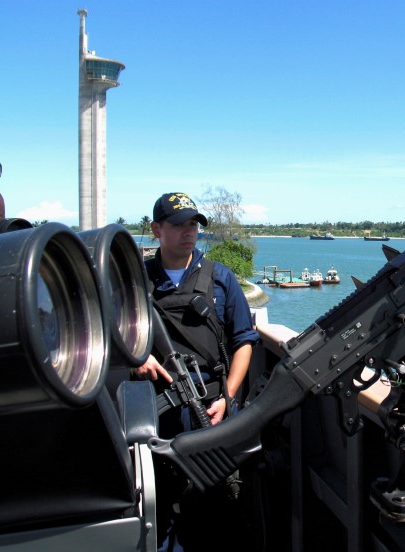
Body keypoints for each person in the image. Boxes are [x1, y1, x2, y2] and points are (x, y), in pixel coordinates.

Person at [135, 192, 258, 551]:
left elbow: (244, 341)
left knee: (217, 503)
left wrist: (228, 396)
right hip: (157, 413)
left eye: (193, 225)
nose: (188, 233)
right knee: (159, 504)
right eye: (178, 225)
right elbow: (109, 333)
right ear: (157, 229)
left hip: (212, 409)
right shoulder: (136, 282)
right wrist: (136, 357)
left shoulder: (220, 279)